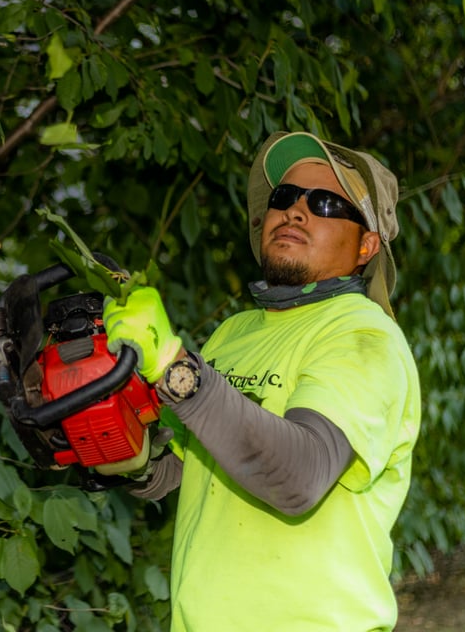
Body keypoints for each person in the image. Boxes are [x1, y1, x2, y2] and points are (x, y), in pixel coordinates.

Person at [103, 131, 421, 631]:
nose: (295, 211)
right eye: (284, 198)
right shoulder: (235, 332)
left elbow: (300, 477)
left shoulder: (366, 337)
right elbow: (180, 473)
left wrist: (174, 368)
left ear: (367, 245)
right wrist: (109, 427)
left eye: (324, 202)